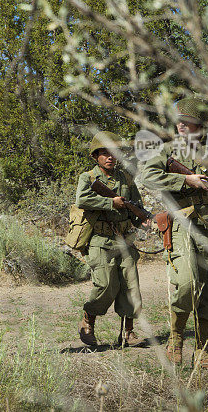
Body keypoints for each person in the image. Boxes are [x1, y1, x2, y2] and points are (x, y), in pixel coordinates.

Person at [140, 97, 208, 368]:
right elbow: (147, 176)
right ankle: (175, 340)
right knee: (186, 284)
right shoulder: (167, 151)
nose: (181, 126)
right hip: (181, 224)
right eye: (179, 121)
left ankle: (203, 351)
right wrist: (183, 179)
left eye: (187, 122)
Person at [76, 131, 150, 348]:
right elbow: (82, 198)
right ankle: (88, 319)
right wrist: (111, 203)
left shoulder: (126, 178)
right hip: (100, 240)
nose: (110, 157)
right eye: (104, 153)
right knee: (106, 283)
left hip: (125, 240)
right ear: (96, 155)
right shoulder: (88, 178)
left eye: (113, 153)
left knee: (131, 286)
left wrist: (141, 220)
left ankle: (128, 332)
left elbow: (136, 206)